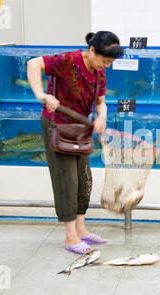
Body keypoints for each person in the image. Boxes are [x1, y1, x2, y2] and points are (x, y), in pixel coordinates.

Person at [27, 31, 124, 254]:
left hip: (80, 128)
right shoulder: (69, 60)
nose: (106, 66)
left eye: (110, 63)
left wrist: (101, 117)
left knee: (84, 179)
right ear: (92, 50)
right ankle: (70, 237)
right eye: (105, 60)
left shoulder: (99, 72)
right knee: (67, 180)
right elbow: (33, 64)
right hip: (57, 125)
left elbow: (101, 102)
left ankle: (80, 229)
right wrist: (42, 95)